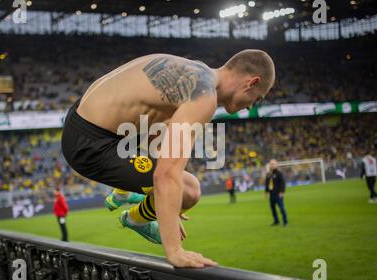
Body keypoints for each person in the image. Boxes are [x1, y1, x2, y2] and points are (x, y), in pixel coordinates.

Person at [62, 50, 275, 268]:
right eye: (257, 98)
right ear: (252, 82)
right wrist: (174, 250)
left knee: (166, 134)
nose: (251, 106)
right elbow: (166, 175)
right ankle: (134, 218)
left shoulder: (196, 70)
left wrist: (167, 207)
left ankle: (128, 195)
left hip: (91, 121)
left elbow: (157, 133)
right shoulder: (204, 96)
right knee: (189, 190)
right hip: (91, 143)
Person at [265, 159, 288, 226]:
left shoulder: (279, 173)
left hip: (278, 194)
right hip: (271, 194)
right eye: (271, 164)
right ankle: (276, 221)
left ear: (276, 165)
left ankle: (285, 221)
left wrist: (282, 192)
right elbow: (267, 184)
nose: (271, 165)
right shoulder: (268, 174)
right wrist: (266, 192)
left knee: (281, 208)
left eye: (273, 164)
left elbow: (283, 183)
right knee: (273, 209)